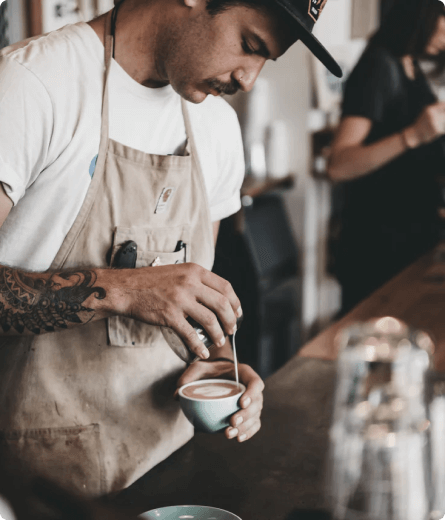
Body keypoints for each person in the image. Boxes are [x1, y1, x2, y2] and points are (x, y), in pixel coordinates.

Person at [0, 0, 341, 496]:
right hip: (36, 487)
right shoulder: (31, 86)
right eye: (249, 46)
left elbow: (195, 299)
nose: (249, 79)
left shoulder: (218, 130)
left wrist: (219, 365)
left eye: (265, 59)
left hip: (168, 468)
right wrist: (119, 289)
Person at [327, 0, 445, 316]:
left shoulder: (409, 64)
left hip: (411, 239)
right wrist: (413, 136)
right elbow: (339, 165)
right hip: (377, 248)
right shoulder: (379, 67)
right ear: (423, 14)